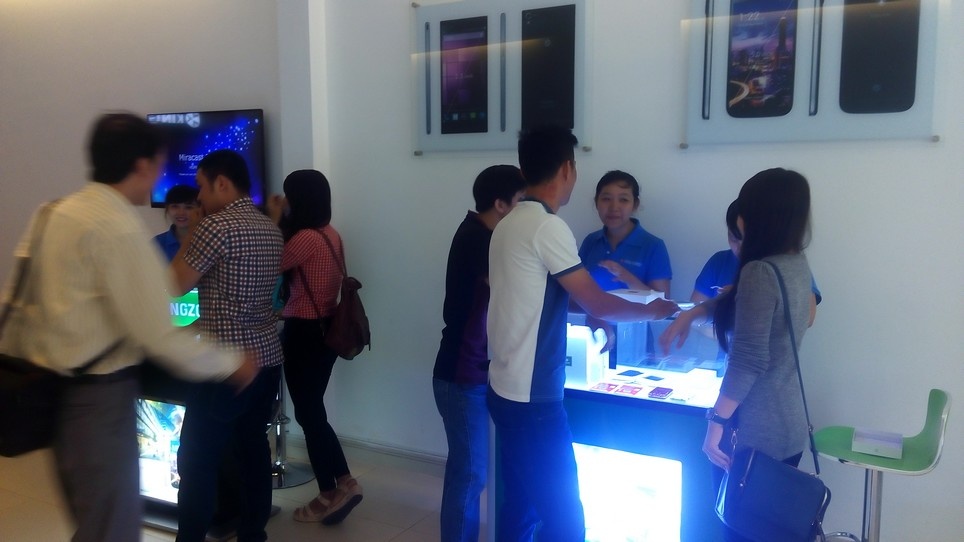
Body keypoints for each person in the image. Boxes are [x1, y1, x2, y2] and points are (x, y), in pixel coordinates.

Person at [0, 113, 256, 542]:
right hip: (98, 401)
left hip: (49, 393)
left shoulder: (52, 213)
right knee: (111, 526)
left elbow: (16, 302)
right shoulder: (118, 228)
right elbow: (158, 332)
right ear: (141, 165)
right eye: (157, 165)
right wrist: (231, 363)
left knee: (93, 519)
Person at [486, 126, 678, 541]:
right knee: (564, 517)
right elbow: (598, 304)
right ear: (567, 170)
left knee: (520, 503)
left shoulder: (508, 223)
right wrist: (655, 310)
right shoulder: (547, 227)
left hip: (504, 385)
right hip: (532, 397)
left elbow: (550, 300)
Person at [659, 168, 816, 542]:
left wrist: (716, 422)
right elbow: (750, 310)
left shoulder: (759, 271)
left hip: (753, 431)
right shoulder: (794, 263)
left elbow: (748, 361)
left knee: (738, 531)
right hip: (787, 424)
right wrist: (694, 312)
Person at [169, 149, 284, 542]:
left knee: (197, 458)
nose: (198, 198)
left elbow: (175, 285)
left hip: (225, 364)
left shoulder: (214, 227)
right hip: (266, 359)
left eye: (201, 186)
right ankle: (252, 534)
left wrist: (191, 231)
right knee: (253, 451)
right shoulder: (270, 228)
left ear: (221, 183)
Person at [265, 169, 364, 525]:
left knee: (310, 416)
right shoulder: (330, 233)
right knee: (313, 413)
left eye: (289, 196)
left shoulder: (305, 238)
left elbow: (268, 262)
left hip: (304, 333)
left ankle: (328, 493)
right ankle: (344, 481)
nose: (286, 202)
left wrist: (273, 218)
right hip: (325, 331)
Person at [433, 165, 525, 542]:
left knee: (467, 471)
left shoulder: (481, 233)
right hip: (461, 373)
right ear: (501, 205)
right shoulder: (480, 239)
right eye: (521, 202)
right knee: (470, 473)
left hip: (472, 371)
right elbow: (515, 287)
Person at [691, 200, 822, 313]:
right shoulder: (719, 261)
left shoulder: (785, 264)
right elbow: (695, 308)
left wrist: (743, 295)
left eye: (748, 241)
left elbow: (808, 317)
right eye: (733, 238)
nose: (740, 248)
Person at [578, 170, 673, 297]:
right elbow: (576, 291)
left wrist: (627, 277)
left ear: (635, 205)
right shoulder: (591, 241)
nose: (614, 207)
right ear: (596, 202)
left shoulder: (654, 246)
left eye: (623, 200)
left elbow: (663, 302)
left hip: (638, 312)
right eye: (606, 199)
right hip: (592, 311)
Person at [153, 184, 201, 261]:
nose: (181, 213)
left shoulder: (207, 242)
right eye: (175, 206)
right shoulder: (156, 244)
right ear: (167, 209)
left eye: (188, 207)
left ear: (199, 210)